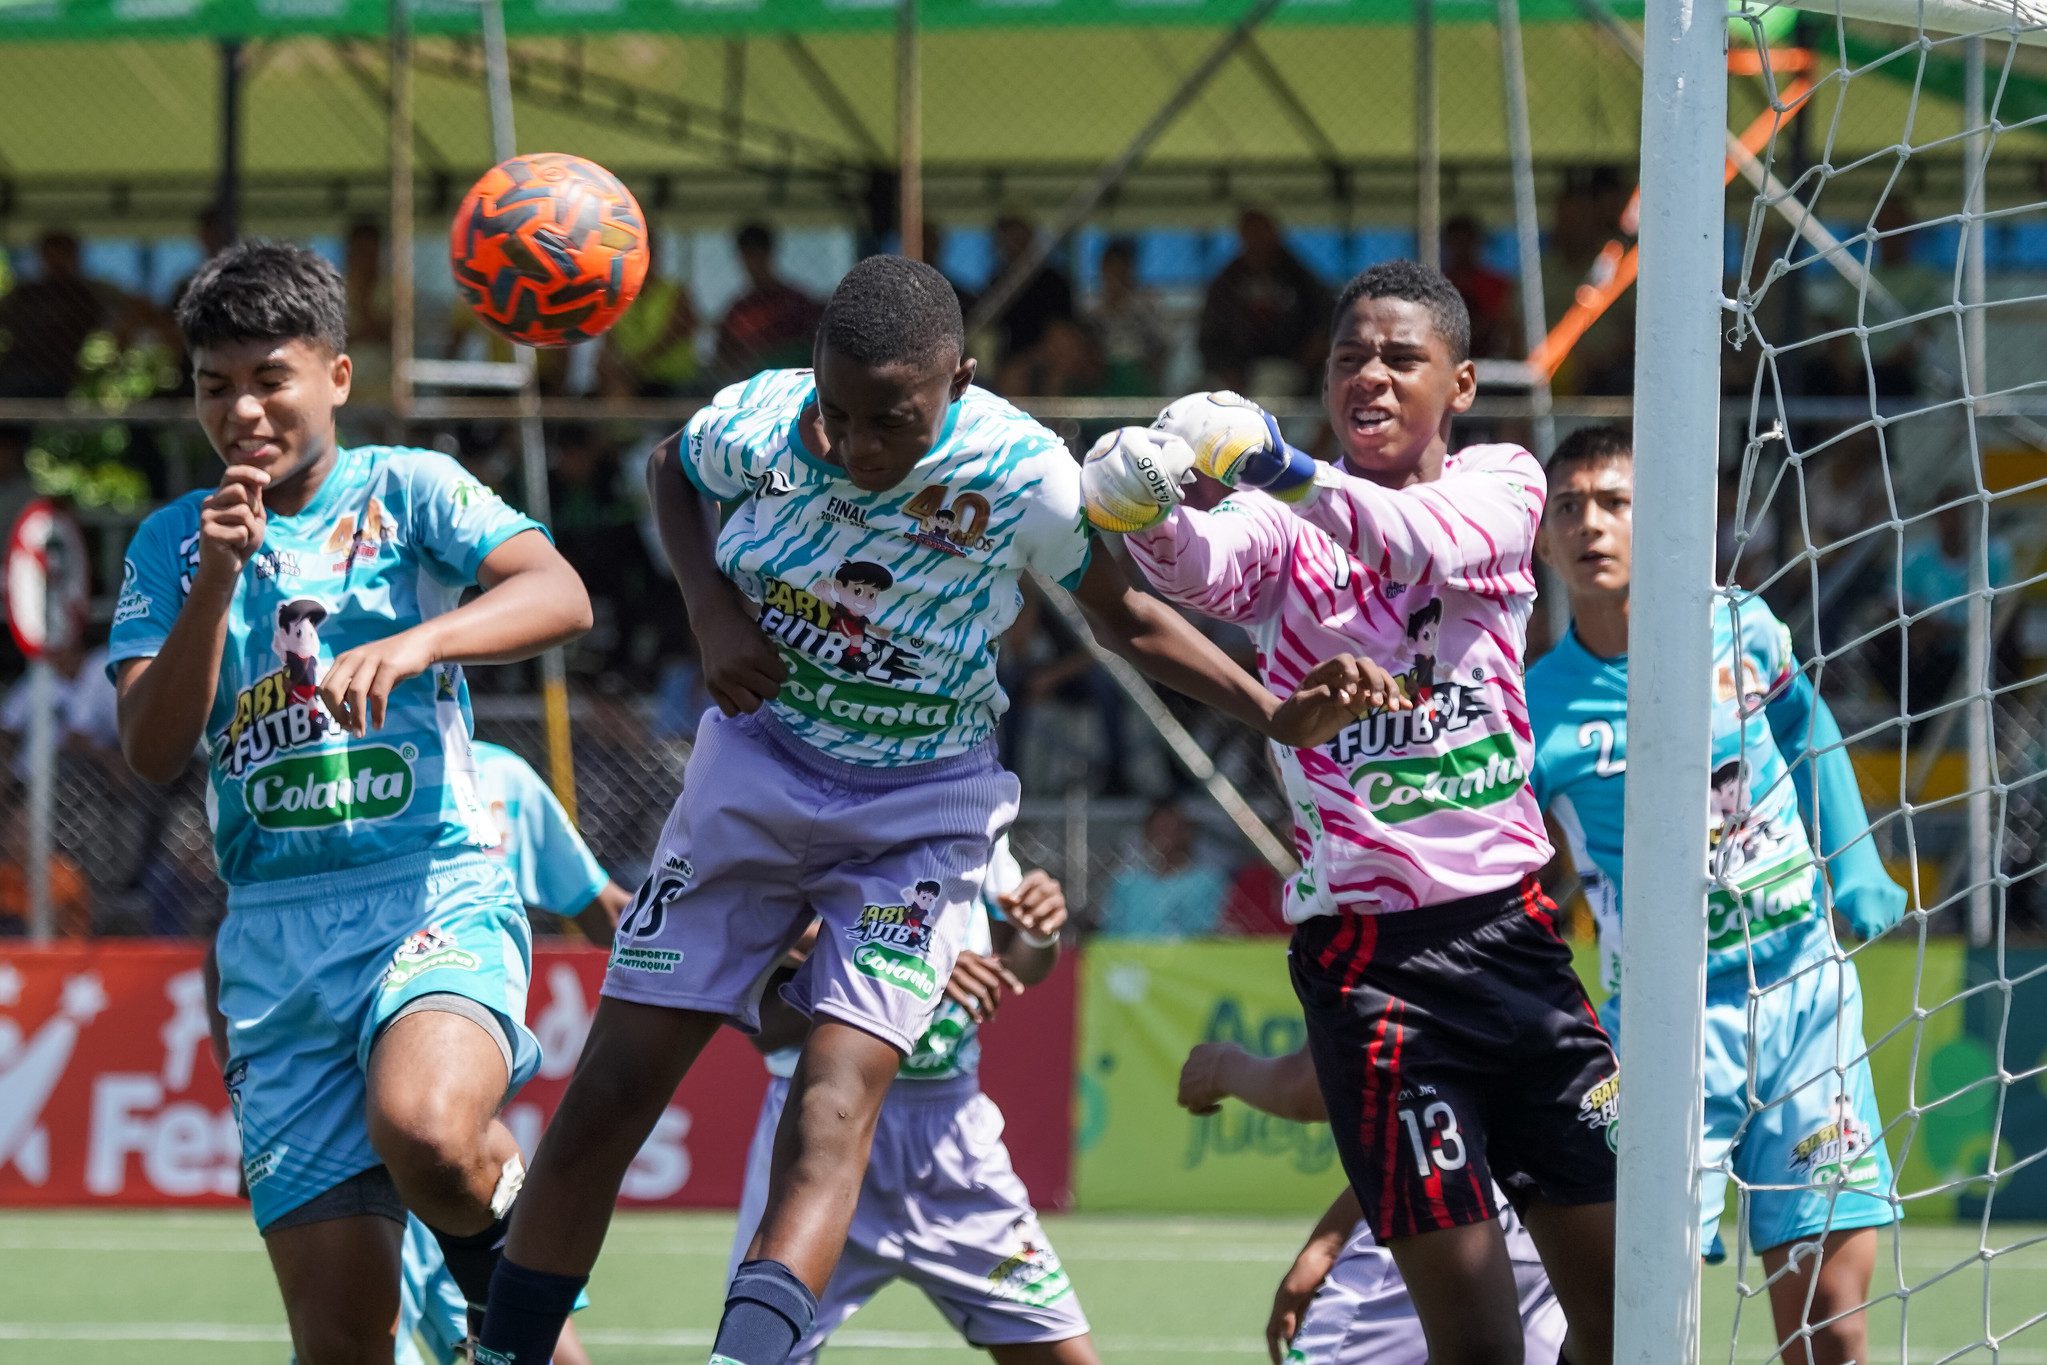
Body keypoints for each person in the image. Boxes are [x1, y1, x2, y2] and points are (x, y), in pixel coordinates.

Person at [476, 254, 1367, 1365]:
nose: (855, 447)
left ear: (960, 381)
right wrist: (707, 609)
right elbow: (670, 468)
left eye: (889, 421)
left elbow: (1125, 617)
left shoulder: (1021, 477)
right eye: (836, 411)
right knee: (606, 1097)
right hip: (749, 775)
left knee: (833, 1107)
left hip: (917, 814)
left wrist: (1269, 708)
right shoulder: (761, 425)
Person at [1079, 260, 1621, 1363]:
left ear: (1460, 383)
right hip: (1374, 971)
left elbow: (1410, 541)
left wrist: (1275, 465)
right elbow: (1201, 569)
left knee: (1627, 1324)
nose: (1367, 376)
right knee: (1479, 1352)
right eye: (1346, 358)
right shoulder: (1283, 532)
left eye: (1398, 358)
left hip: (1519, 946)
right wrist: (1136, 502)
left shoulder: (1507, 484)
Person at [107, 240, 593, 1361]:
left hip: (428, 891)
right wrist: (216, 584)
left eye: (268, 377)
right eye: (213, 385)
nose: (242, 411)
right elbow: (150, 746)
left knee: (426, 1129)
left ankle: (522, 1287)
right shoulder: (172, 544)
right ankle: (520, 1316)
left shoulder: (411, 490)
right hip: (274, 947)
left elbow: (557, 592)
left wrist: (423, 642)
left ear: (334, 374)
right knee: (342, 1343)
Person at [1526, 425, 1905, 1365]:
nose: (1590, 524)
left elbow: (1802, 714)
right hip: (1658, 1031)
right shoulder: (1533, 707)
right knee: (1625, 1325)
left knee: (1831, 1331)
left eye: (1613, 502)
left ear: (1657, 519)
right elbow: (1518, 871)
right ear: (1540, 536)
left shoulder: (1738, 624)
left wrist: (1852, 858)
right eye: (1567, 506)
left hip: (1805, 996)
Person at [730, 841, 1098, 1363]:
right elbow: (766, 1025)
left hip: (955, 1151)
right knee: (758, 1354)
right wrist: (911, 978)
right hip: (822, 1134)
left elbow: (1019, 963)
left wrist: (1041, 931)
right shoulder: (822, 818)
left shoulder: (979, 813)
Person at [392, 739, 627, 1365]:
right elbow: (235, 942)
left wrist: (725, 940)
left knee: (537, 1350)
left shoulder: (503, 779)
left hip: (450, 1141)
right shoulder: (313, 768)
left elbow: (604, 910)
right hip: (350, 1145)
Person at [1176, 1040, 1564, 1365]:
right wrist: (1328, 1241)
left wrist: (1221, 1067)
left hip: (1444, 1220)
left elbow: (1327, 1078)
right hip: (1554, 1221)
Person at [1196, 210, 1331, 397]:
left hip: (1286, 365)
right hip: (1236, 370)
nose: (1257, 240)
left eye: (1262, 232)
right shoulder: (1227, 281)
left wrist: (1306, 359)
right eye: (1250, 233)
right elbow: (1210, 336)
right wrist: (1226, 370)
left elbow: (1326, 319)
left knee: (1270, 383)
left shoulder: (1299, 277)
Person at [0, 230, 113, 399]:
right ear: (42, 257)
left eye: (63, 255)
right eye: (52, 255)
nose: (57, 261)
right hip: (16, 372)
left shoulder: (87, 294)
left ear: (75, 257)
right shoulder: (27, 293)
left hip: (58, 376)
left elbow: (129, 310)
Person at [1099, 800, 1228, 938]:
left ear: (1185, 833)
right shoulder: (1126, 882)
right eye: (1155, 829)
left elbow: (1208, 929)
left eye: (1168, 829)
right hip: (1133, 957)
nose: (1161, 836)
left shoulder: (1208, 881)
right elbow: (1111, 932)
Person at [714, 223, 825, 378]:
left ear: (769, 253)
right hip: (752, 389)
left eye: (757, 253)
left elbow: (817, 348)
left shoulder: (796, 303)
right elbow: (722, 358)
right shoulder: (739, 311)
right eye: (747, 255)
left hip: (796, 386)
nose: (752, 263)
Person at [1087, 238, 1171, 396]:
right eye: (1111, 270)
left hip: (1138, 375)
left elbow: (1162, 347)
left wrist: (1149, 370)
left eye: (1121, 270)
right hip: (1103, 377)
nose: (1116, 277)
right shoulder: (1093, 316)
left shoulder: (1145, 311)